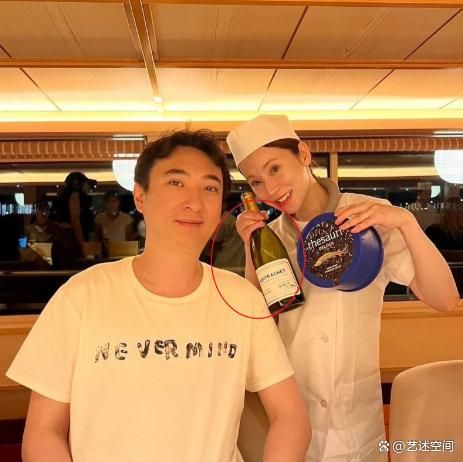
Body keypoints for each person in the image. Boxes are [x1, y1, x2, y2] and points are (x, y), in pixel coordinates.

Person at [6, 130, 310, 462]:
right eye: (176, 183)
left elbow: (290, 418)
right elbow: (43, 431)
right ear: (140, 196)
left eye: (210, 188)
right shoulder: (81, 295)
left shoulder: (241, 300)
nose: (194, 202)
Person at [226, 115, 459, 462]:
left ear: (303, 154)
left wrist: (406, 223)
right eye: (256, 181)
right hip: (293, 428)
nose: (270, 189)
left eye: (275, 169)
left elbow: (445, 299)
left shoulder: (368, 216)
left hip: (358, 428)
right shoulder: (271, 237)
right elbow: (258, 328)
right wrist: (250, 249)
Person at [50, 171, 96, 269]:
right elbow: (75, 220)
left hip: (61, 239)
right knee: (72, 271)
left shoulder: (63, 196)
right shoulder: (75, 195)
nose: (88, 187)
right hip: (68, 240)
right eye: (86, 184)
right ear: (77, 183)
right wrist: (82, 246)